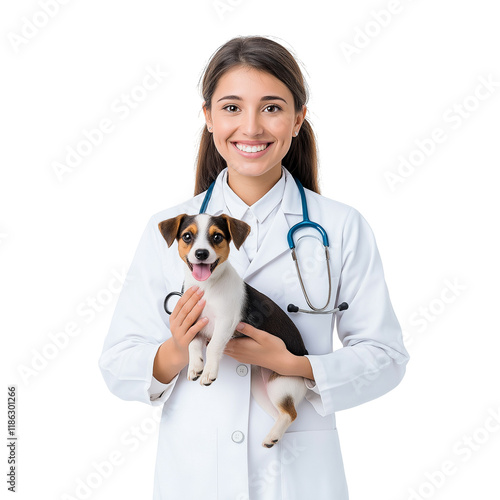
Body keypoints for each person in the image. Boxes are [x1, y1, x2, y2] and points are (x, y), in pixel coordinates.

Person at [98, 35, 410, 500]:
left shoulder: (340, 226)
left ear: (298, 118)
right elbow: (118, 363)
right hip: (195, 476)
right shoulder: (166, 230)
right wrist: (179, 350)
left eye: (271, 107)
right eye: (230, 108)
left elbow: (386, 358)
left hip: (300, 479)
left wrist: (297, 366)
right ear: (207, 118)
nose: (250, 127)